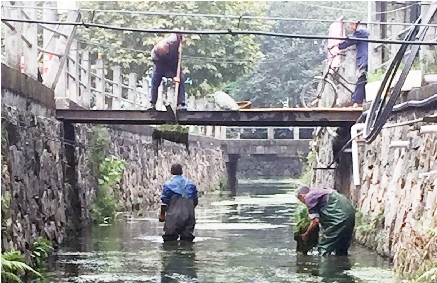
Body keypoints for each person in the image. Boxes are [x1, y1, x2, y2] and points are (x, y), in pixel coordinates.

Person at [296, 186, 356, 256]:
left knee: (324, 248)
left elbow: (315, 220)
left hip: (338, 219)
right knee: (341, 248)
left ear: (301, 196)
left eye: (300, 200)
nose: (303, 202)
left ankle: (324, 264)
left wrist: (306, 234)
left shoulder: (309, 197)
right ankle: (343, 264)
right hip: (351, 216)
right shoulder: (323, 191)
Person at [333, 19, 369, 108]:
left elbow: (350, 40)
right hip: (363, 58)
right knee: (362, 80)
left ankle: (357, 102)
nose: (350, 28)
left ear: (354, 24)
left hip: (364, 59)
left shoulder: (360, 31)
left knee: (361, 79)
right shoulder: (361, 31)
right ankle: (358, 101)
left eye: (350, 26)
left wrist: (338, 45)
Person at [159, 164, 198, 242]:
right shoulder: (191, 184)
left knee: (170, 240)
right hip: (189, 215)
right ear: (182, 172)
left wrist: (162, 215)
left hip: (174, 216)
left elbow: (164, 202)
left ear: (171, 171)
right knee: (187, 239)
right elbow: (195, 201)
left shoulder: (168, 185)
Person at [149, 31, 186, 111]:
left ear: (167, 46)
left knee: (181, 80)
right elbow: (163, 69)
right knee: (154, 82)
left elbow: (176, 31)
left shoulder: (172, 40)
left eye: (166, 51)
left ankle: (181, 104)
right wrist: (173, 77)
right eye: (163, 53)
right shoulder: (155, 56)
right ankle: (152, 103)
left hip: (174, 64)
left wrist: (182, 37)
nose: (166, 53)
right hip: (162, 67)